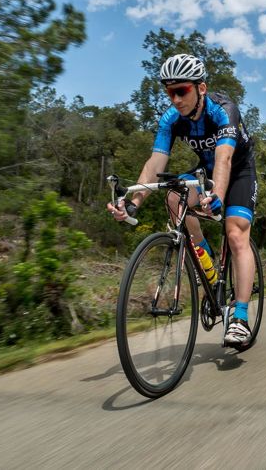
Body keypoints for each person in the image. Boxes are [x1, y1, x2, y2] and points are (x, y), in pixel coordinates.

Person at [107, 53, 258, 347]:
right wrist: (134, 202)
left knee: (236, 233)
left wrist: (218, 196)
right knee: (174, 198)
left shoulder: (224, 110)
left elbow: (224, 158)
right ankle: (210, 270)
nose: (175, 99)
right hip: (206, 172)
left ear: (200, 88)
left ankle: (240, 317)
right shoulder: (170, 119)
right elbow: (155, 164)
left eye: (181, 90)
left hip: (239, 171)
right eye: (169, 91)